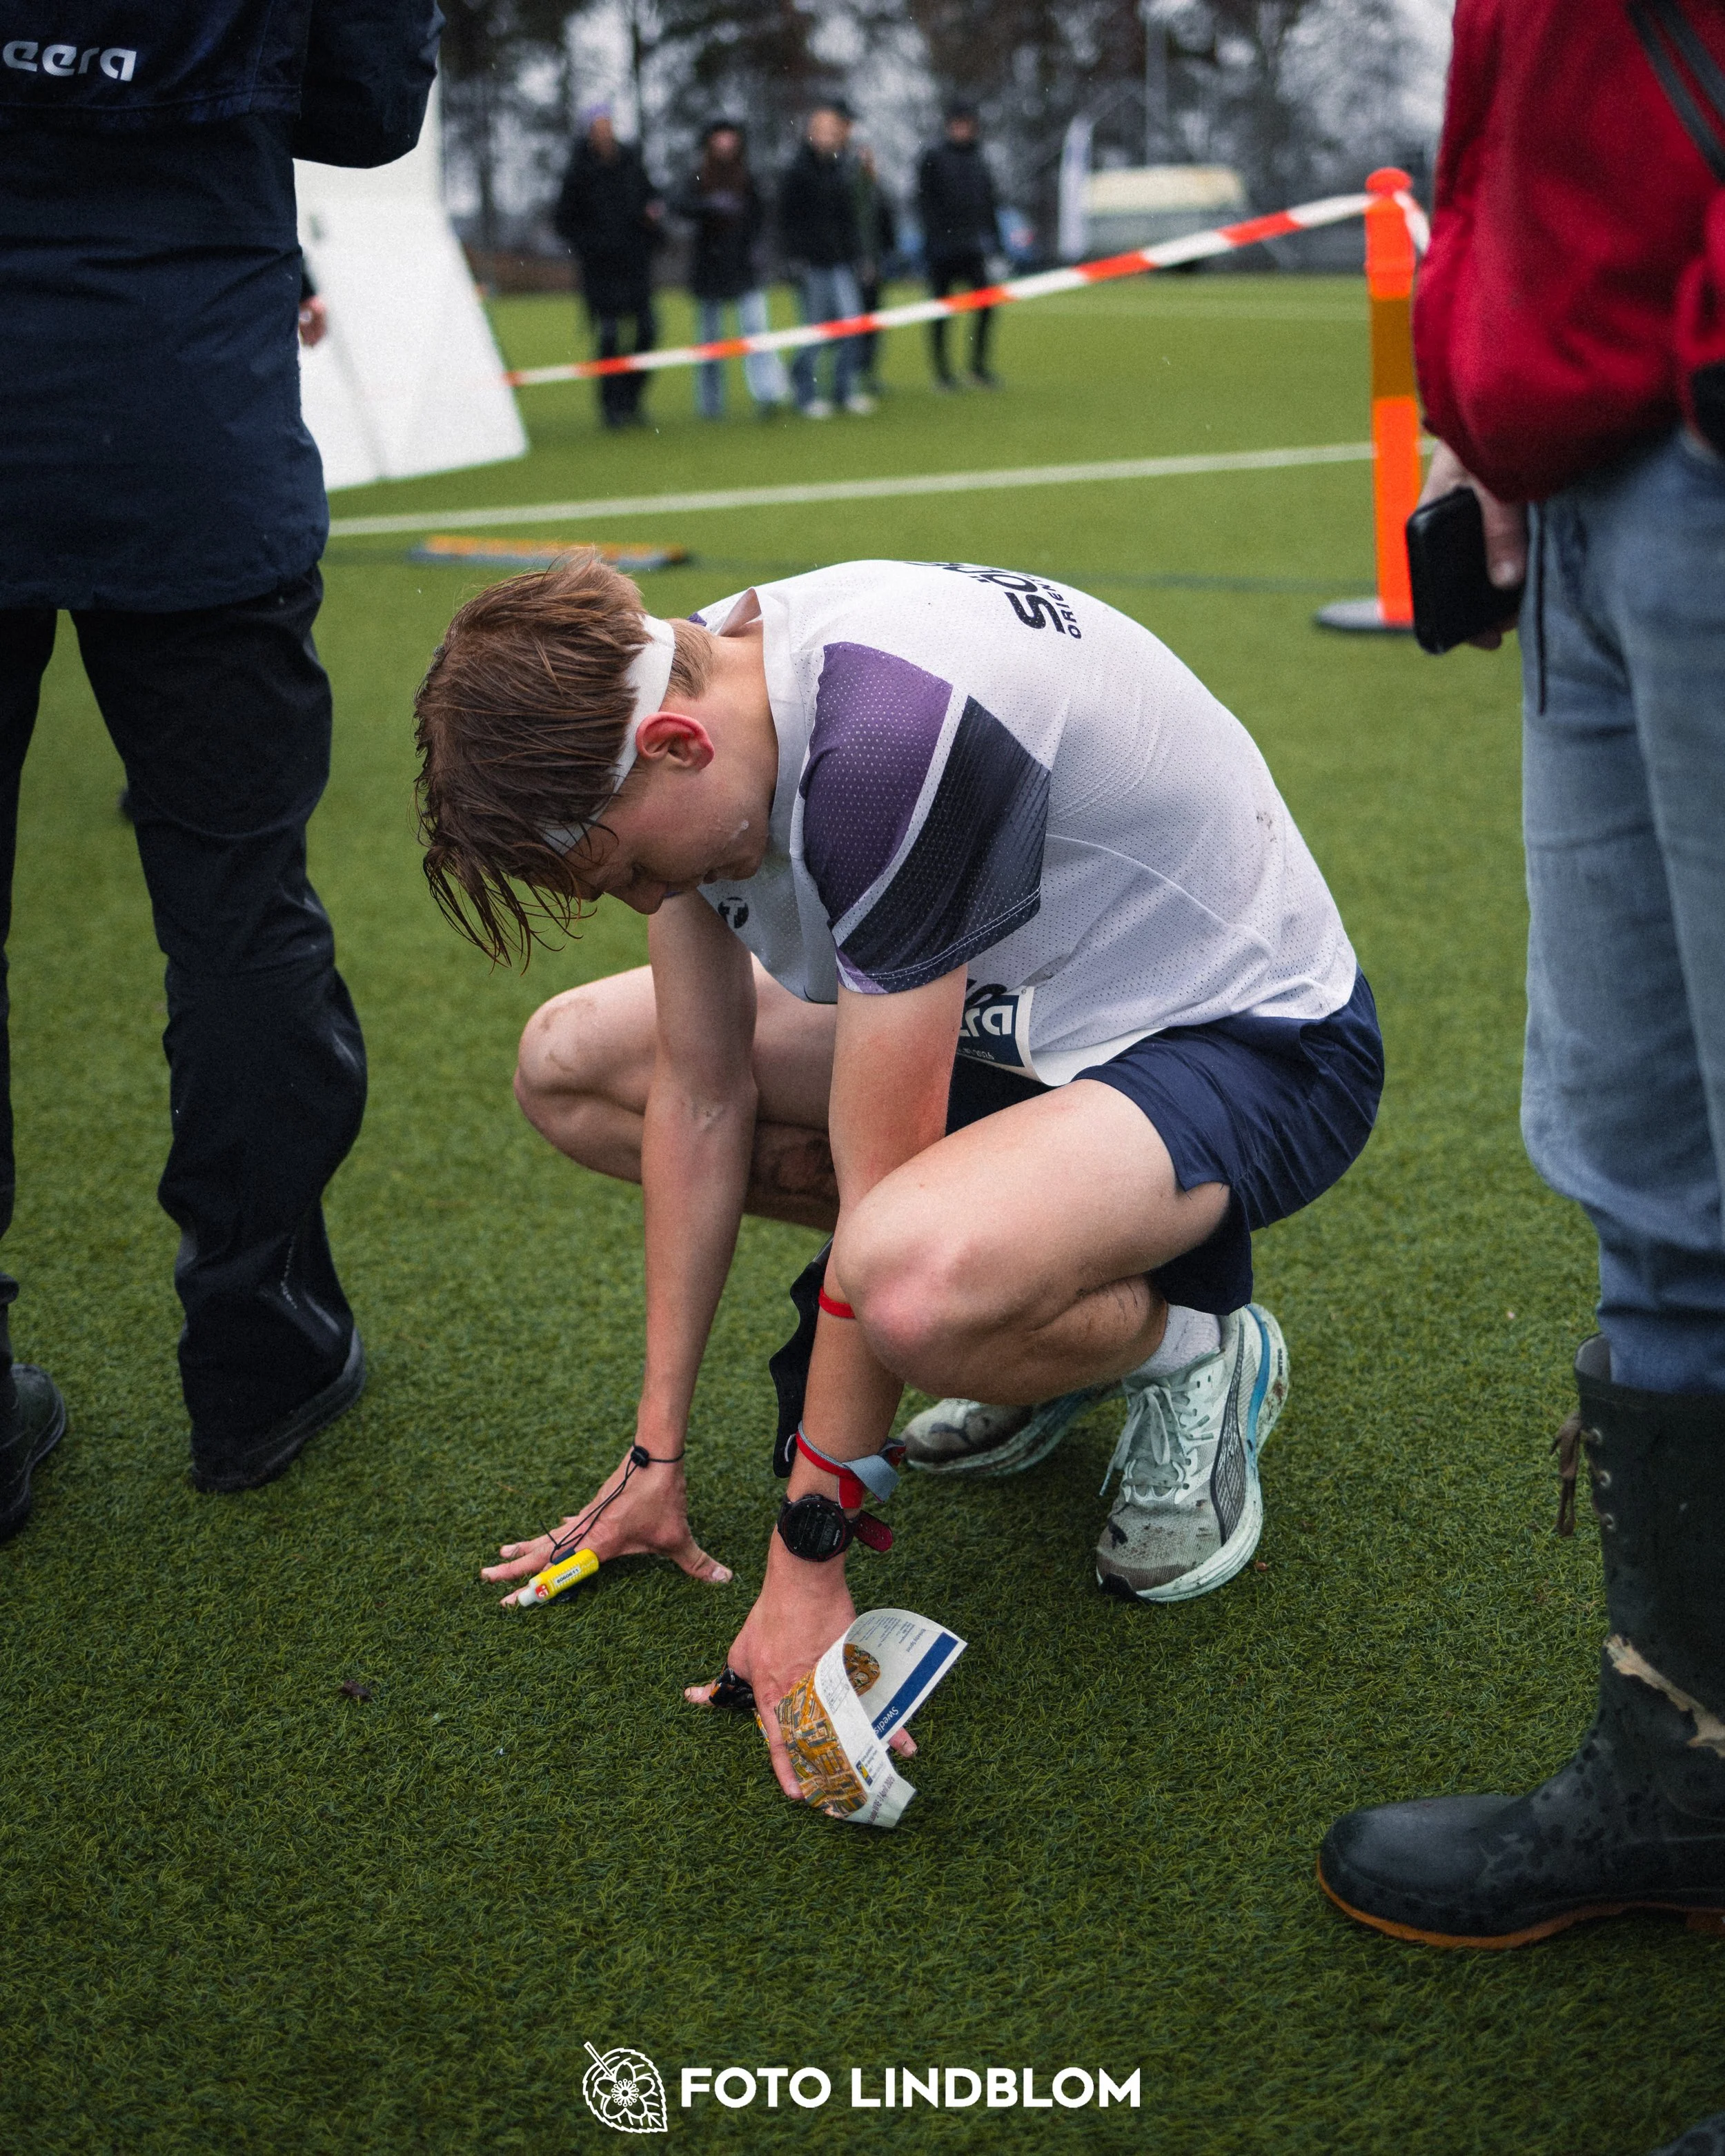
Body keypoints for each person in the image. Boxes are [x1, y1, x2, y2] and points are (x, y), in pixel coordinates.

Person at [412, 551, 1382, 1797]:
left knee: (915, 1293)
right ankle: (1028, 1276)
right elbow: (702, 1093)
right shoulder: (682, 687)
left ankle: (1193, 1344)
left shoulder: (887, 748)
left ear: (674, 744)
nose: (652, 898)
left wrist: (807, 1563)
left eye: (636, 872)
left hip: (1245, 1041)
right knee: (577, 1066)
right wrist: (658, 1457)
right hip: (1020, 1021)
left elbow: (879, 1213)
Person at [1314, 6, 1725, 2147]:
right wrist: (1488, 413)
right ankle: (1682, 1769)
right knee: (1646, 1179)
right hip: (1592, 462)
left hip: (1701, 415)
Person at [0, 0, 439, 1540]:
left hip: (164, 410)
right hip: (188, 427)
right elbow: (372, 107)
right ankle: (259, 1357)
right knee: (240, 913)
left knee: (243, 921)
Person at [554, 105, 664, 431]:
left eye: (608, 126)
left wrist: (651, 222)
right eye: (597, 127)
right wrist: (591, 246)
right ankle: (611, 407)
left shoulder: (632, 162)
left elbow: (652, 201)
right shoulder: (578, 172)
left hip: (635, 265)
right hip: (600, 270)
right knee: (610, 336)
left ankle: (632, 398)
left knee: (648, 331)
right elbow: (564, 222)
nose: (604, 132)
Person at [671, 120, 789, 419]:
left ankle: (767, 395)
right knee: (710, 342)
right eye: (719, 137)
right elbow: (677, 205)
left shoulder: (749, 177)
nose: (725, 143)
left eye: (730, 137)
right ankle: (710, 405)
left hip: (744, 267)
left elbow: (764, 218)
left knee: (756, 335)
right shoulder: (698, 176)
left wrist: (759, 250)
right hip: (710, 268)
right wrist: (707, 206)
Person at [778, 103, 873, 419]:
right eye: (822, 131)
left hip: (842, 261)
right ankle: (804, 393)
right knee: (816, 332)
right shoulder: (796, 171)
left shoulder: (842, 169)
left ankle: (844, 392)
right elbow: (785, 220)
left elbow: (849, 220)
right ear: (811, 134)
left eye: (833, 132)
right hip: (812, 263)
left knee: (852, 327)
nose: (828, 138)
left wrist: (859, 256)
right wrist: (792, 258)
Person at [916, 99, 1002, 391]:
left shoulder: (979, 159)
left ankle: (977, 368)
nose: (962, 130)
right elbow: (923, 203)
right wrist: (934, 238)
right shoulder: (933, 157)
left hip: (973, 248)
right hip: (942, 249)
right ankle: (942, 374)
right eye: (957, 124)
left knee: (987, 307)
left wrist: (996, 243)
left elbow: (989, 204)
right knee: (941, 311)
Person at [850, 142, 898, 400]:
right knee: (847, 324)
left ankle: (867, 374)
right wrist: (861, 261)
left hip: (875, 266)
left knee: (872, 323)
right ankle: (849, 376)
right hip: (853, 267)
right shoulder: (848, 191)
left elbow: (887, 228)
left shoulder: (878, 191)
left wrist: (886, 259)